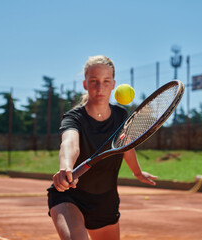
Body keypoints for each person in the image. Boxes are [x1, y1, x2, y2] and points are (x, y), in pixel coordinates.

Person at [47, 55, 157, 240]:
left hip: (106, 201)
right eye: (94, 81)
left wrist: (137, 172)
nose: (100, 87)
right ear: (85, 84)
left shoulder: (121, 116)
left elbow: (126, 147)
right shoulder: (73, 117)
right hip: (69, 196)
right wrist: (66, 166)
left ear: (113, 84)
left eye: (106, 81)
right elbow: (70, 143)